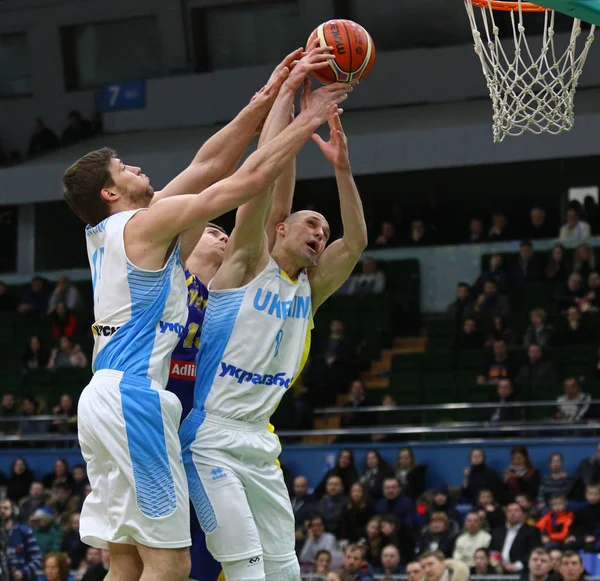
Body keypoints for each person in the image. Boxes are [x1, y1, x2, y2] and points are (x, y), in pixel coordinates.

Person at [63, 47, 339, 581]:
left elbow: (209, 163)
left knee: (126, 559)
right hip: (134, 400)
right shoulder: (143, 226)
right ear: (109, 191)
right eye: (126, 167)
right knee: (169, 565)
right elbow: (244, 180)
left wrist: (271, 95)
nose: (139, 167)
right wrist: (306, 118)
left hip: (105, 399)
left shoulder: (124, 230)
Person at [180, 77, 361, 581]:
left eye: (324, 232)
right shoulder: (243, 263)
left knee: (285, 569)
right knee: (245, 564)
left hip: (260, 440)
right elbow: (266, 176)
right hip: (211, 433)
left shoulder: (309, 290)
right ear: (280, 229)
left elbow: (356, 242)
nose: (321, 233)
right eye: (312, 223)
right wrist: (294, 113)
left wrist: (343, 170)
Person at [1, 498, 42, 581]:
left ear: (13, 511)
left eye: (5, 508)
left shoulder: (24, 531)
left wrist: (23, 572)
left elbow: (37, 559)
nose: (2, 511)